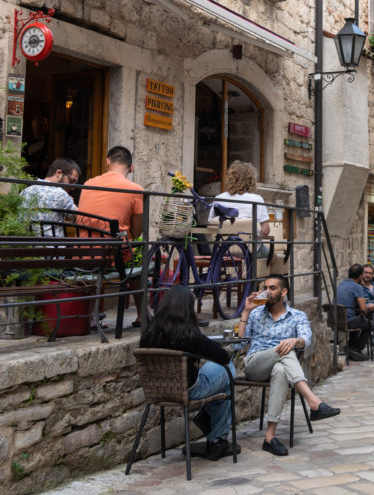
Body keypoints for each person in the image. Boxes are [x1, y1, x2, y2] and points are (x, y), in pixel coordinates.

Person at [237, 274, 340, 456]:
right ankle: (314, 402)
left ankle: (269, 438)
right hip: (255, 365)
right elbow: (238, 344)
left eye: (272, 288)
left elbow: (306, 340)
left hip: (279, 365)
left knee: (281, 369)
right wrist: (245, 312)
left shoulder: (297, 316)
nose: (267, 291)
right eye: (265, 288)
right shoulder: (255, 314)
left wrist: (295, 340)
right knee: (284, 351)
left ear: (283, 292)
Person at [140, 285, 236, 461]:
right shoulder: (189, 335)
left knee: (214, 372)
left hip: (157, 391)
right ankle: (217, 438)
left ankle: (211, 422)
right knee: (228, 369)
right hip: (189, 391)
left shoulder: (149, 332)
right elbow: (222, 356)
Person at [77, 146, 144, 325]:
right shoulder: (135, 189)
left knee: (111, 251)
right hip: (115, 257)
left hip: (85, 253)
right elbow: (137, 233)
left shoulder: (88, 183)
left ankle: (90, 316)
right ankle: (142, 315)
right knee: (138, 260)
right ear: (131, 168)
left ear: (107, 161)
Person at [208, 160, 276, 265]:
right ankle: (265, 281)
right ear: (251, 180)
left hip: (224, 251)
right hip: (251, 249)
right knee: (274, 257)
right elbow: (266, 230)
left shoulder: (219, 198)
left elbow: (210, 228)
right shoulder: (257, 199)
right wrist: (257, 236)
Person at [20, 158, 80, 237]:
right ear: (58, 173)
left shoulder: (25, 192)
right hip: (53, 247)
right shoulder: (60, 193)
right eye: (72, 181)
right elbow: (80, 220)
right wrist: (70, 202)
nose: (72, 187)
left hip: (27, 246)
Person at [337, 263, 372, 361]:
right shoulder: (357, 287)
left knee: (358, 318)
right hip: (347, 321)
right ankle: (355, 348)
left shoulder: (341, 283)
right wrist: (368, 308)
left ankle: (351, 346)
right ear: (360, 276)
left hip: (335, 320)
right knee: (369, 324)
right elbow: (363, 309)